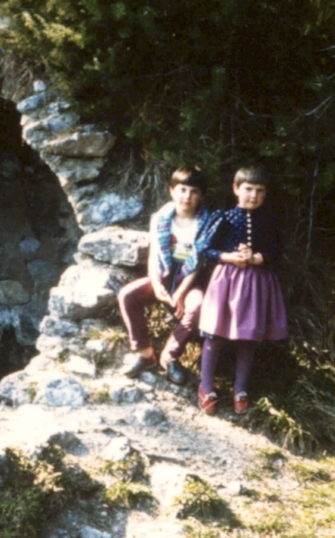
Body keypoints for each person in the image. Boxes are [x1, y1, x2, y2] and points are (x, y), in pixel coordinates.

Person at [196, 165, 287, 415]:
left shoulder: (270, 221)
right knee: (214, 332)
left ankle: (240, 389)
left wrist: (259, 258)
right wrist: (228, 256)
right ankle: (206, 386)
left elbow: (278, 251)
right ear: (236, 189)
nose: (253, 196)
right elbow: (204, 248)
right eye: (248, 189)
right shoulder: (225, 217)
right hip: (226, 281)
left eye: (260, 190)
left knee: (248, 336)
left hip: (257, 283)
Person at [119, 167, 215, 385]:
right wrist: (156, 283)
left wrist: (180, 292)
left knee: (196, 305)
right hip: (164, 274)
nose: (187, 196)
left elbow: (198, 263)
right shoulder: (161, 218)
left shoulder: (205, 223)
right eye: (182, 190)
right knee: (128, 295)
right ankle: (145, 354)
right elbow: (154, 254)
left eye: (194, 192)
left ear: (201, 196)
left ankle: (170, 356)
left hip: (189, 279)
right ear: (172, 191)